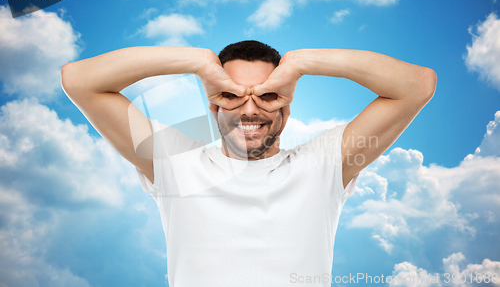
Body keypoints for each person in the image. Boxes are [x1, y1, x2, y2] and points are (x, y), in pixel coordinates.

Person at [61, 40, 436, 286]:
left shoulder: (323, 165)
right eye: (233, 95)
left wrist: (302, 63)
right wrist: (197, 62)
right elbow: (79, 81)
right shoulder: (175, 162)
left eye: (268, 95)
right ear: (213, 104)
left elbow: (417, 86)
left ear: (286, 109)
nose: (251, 109)